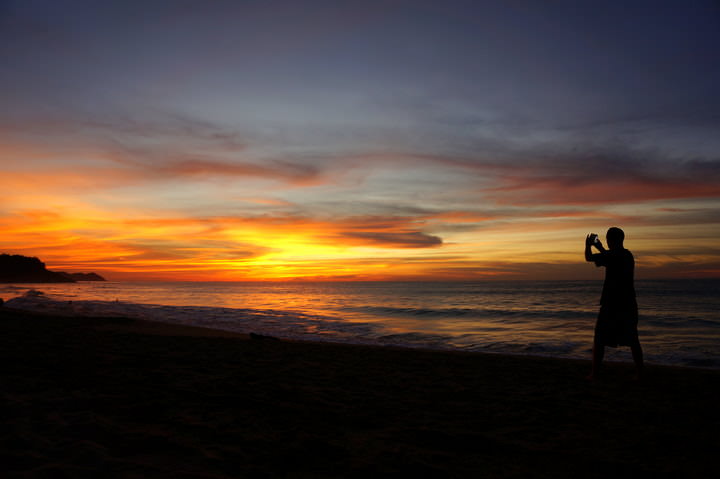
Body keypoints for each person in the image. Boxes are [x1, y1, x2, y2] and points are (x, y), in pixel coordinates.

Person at [585, 227, 644, 380]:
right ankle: (641, 373)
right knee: (633, 339)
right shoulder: (627, 255)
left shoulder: (612, 255)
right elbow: (607, 256)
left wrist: (588, 245)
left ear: (611, 240)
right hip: (628, 303)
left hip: (611, 304)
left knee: (599, 338)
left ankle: (595, 373)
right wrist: (600, 247)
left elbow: (589, 257)